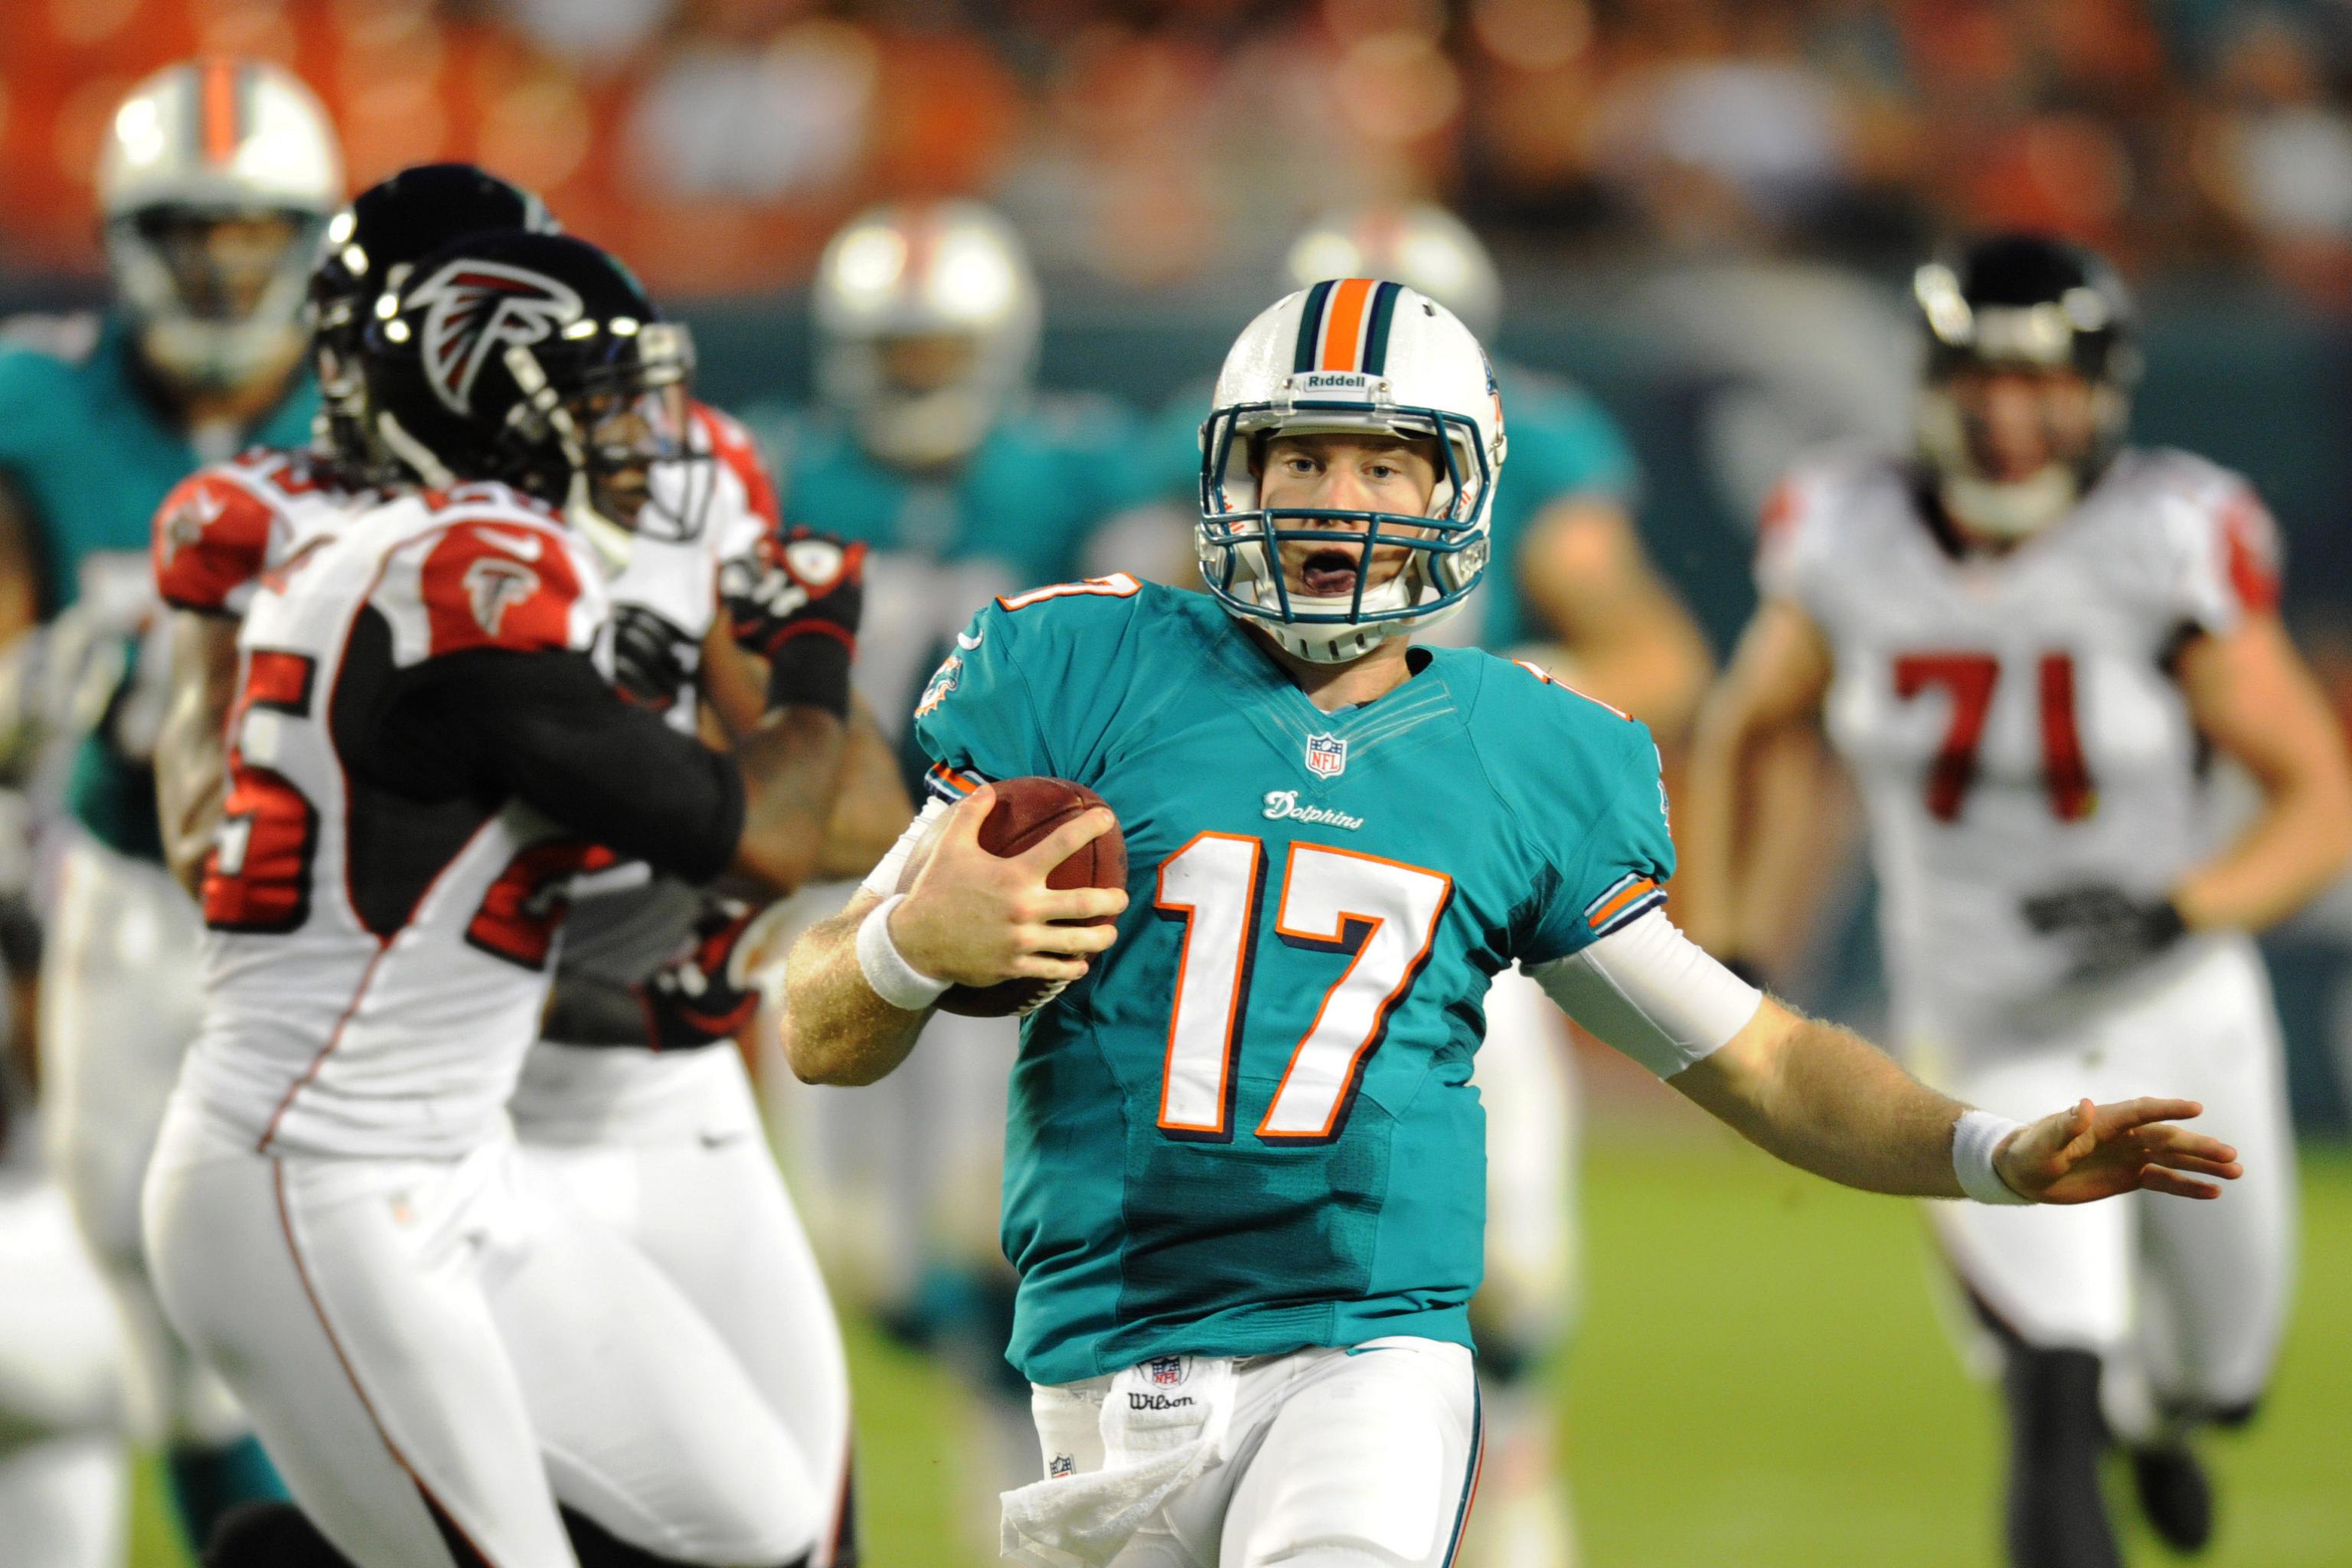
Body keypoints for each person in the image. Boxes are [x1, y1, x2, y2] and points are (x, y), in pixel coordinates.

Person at [779, 279, 2246, 1568]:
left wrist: (1989, 1149)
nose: (1336, 500)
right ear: (1230, 471)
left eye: (1383, 464)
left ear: (1458, 493)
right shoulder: (1086, 669)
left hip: (1361, 1353)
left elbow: (1757, 1061)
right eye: (1301, 455)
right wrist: (914, 949)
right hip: (1098, 1357)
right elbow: (817, 1023)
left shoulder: (1524, 755)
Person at [151, 165, 888, 1566]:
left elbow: (839, 817)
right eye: (595, 392)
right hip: (392, 1117)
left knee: (772, 1528)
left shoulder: (603, 506)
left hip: (583, 1101)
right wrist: (804, 653)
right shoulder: (427, 559)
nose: (638, 433)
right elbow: (229, 862)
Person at [1681, 234, 2352, 1568]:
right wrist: (1735, 940)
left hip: (2179, 1012)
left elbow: (2317, 796)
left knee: (2228, 1381)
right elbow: (1749, 725)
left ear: (2102, 392)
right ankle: (2098, 1407)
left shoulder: (2169, 537)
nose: (2006, 418)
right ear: (1932, 384)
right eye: (1980, 379)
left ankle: (2164, 1413)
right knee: (2050, 1380)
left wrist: (2185, 906)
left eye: (2042, 384)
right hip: (1980, 1027)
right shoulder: (1848, 532)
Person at [1280, 202, 1717, 1568]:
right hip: (1286, 889)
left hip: (1453, 906)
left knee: (1509, 1295)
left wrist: (1478, 715)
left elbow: (1658, 658)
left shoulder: (1529, 454)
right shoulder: (1249, 470)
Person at [0, 55, 341, 1552]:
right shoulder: (36, 414)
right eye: (191, 234)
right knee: (130, 1312)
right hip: (105, 901)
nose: (219, 269)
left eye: (253, 236)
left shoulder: (381, 417)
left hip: (349, 919)